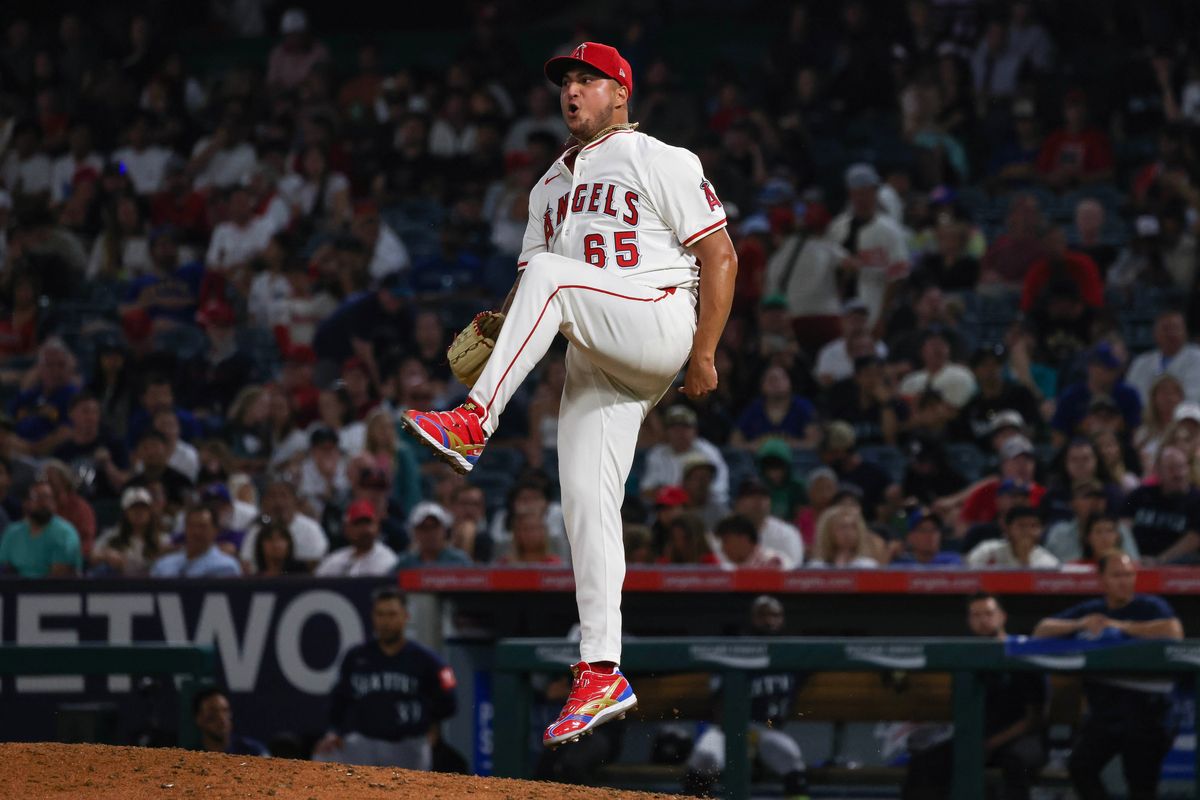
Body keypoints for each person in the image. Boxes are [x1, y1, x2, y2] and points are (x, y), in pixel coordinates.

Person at [402, 40, 737, 748]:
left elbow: (719, 255)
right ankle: (602, 670)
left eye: (589, 80)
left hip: (656, 319)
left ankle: (472, 422)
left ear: (622, 93)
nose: (573, 90)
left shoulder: (661, 158)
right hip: (596, 348)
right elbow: (533, 284)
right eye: (567, 82)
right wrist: (499, 325)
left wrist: (704, 352)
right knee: (586, 504)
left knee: (554, 273)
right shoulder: (548, 186)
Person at [1032, 552, 1183, 800]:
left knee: (1141, 786)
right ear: (1102, 579)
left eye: (1129, 575)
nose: (1124, 581)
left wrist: (1119, 626)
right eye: (1116, 575)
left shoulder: (1149, 605)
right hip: (1107, 714)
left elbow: (1173, 631)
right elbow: (1041, 630)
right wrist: (1080, 624)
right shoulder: (1093, 610)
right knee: (1081, 768)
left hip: (1148, 714)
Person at [905, 593, 1046, 800]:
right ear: (969, 621)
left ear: (1002, 617)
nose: (983, 620)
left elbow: (1034, 718)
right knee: (924, 764)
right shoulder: (966, 659)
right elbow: (962, 711)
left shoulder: (1023, 654)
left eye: (988, 614)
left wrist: (991, 743)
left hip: (1018, 738)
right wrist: (977, 743)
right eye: (976, 615)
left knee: (1017, 763)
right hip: (977, 738)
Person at [313, 587, 457, 769]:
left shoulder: (427, 659)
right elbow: (339, 699)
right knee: (324, 754)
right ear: (373, 616)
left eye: (392, 614)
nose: (385, 622)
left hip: (408, 744)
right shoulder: (356, 656)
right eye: (380, 614)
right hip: (364, 743)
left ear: (406, 617)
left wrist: (432, 725)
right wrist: (333, 732)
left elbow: (449, 700)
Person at [683, 596, 809, 799]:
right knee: (705, 757)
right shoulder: (736, 649)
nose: (769, 621)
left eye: (774, 615)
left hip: (766, 731)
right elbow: (717, 702)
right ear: (752, 618)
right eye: (763, 615)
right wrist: (736, 732)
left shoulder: (792, 655)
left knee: (790, 756)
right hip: (728, 729)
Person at [826, 163, 910, 328]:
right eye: (856, 193)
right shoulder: (837, 227)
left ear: (874, 193)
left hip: (873, 303)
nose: (861, 199)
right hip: (839, 307)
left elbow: (899, 275)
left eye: (866, 193)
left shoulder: (889, 230)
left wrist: (883, 317)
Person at [1121, 446, 1200, 564]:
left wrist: (1160, 560)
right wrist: (1131, 556)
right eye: (1171, 468)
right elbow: (1123, 526)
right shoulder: (1141, 494)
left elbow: (1194, 538)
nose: (1178, 474)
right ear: (1158, 471)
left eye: (1181, 467)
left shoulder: (1196, 500)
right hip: (1135, 559)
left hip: (1176, 564)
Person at [639, 405, 731, 507]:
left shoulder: (708, 452)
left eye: (685, 427)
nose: (680, 433)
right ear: (667, 432)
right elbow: (646, 492)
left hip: (705, 508)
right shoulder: (657, 454)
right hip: (667, 509)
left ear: (695, 430)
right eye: (675, 428)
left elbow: (719, 491)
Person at [0, 481, 82, 577]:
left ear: (55, 503)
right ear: (26, 503)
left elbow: (59, 578)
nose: (43, 502)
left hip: (51, 591)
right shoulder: (12, 533)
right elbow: (4, 568)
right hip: (15, 590)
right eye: (37, 497)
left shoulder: (65, 534)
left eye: (47, 497)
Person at [1125, 309, 1200, 406]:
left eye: (1176, 328)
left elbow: (1193, 397)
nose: (1171, 333)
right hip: (1145, 417)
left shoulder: (1197, 357)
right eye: (1166, 329)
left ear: (1185, 332)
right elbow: (1131, 394)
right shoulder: (1141, 362)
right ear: (1155, 333)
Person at [91, 486, 168, 576]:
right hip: (121, 586)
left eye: (143, 508)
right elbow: (93, 555)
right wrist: (106, 555)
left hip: (154, 586)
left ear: (150, 512)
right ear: (125, 512)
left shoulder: (161, 539)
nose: (139, 512)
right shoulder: (112, 536)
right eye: (134, 508)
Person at [149, 506, 241, 578]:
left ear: (215, 530)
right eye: (191, 526)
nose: (196, 532)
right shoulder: (163, 565)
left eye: (202, 526)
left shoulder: (226, 567)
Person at [315, 499, 399, 577]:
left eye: (368, 523)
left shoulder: (387, 559)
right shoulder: (335, 559)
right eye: (358, 524)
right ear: (346, 529)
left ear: (377, 527)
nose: (365, 529)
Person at [967, 506, 1060, 568]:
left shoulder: (1049, 562)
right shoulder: (987, 550)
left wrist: (1025, 559)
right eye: (1021, 525)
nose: (1027, 531)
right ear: (1007, 529)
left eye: (1033, 526)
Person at [393, 501, 472, 569]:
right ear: (414, 532)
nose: (430, 533)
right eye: (423, 528)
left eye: (435, 527)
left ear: (444, 530)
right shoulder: (405, 564)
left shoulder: (460, 561)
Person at [192, 687, 268, 756]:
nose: (222, 718)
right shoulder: (191, 756)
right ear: (199, 719)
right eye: (213, 712)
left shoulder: (254, 751)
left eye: (225, 710)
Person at [891, 510, 963, 567]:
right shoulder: (901, 564)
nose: (930, 535)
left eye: (934, 530)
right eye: (923, 530)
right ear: (910, 537)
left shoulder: (952, 560)